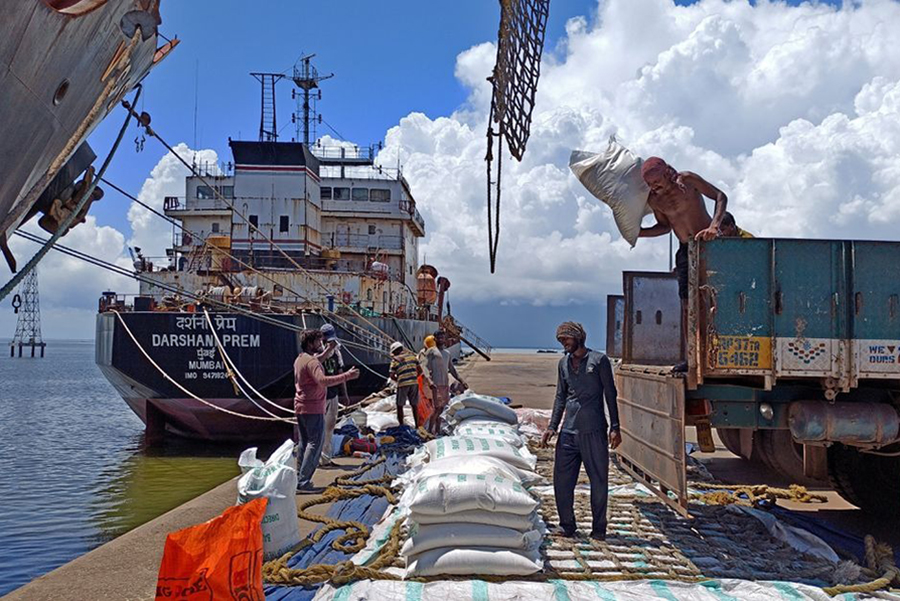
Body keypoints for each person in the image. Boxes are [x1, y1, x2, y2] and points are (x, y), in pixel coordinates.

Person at [638, 157, 728, 372]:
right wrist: (640, 233)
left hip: (710, 245)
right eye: (650, 184)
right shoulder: (654, 200)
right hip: (685, 249)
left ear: (667, 172)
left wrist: (714, 226)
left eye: (657, 181)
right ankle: (691, 358)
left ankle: (722, 352)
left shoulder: (687, 180)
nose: (654, 187)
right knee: (688, 305)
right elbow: (663, 227)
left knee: (718, 300)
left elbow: (720, 196)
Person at [541, 322, 621, 541]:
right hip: (568, 432)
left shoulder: (599, 361)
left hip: (594, 431)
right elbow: (560, 397)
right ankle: (567, 525)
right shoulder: (563, 364)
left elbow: (610, 394)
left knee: (599, 481)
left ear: (578, 338)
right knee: (562, 481)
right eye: (560, 340)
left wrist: (615, 426)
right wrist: (551, 427)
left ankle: (599, 529)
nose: (563, 343)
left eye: (566, 339)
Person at [294, 329, 359, 491]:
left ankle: (297, 478)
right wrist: (347, 376)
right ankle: (303, 482)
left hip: (300, 406)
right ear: (310, 344)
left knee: (303, 443)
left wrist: (329, 350)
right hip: (313, 407)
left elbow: (316, 361)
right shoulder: (313, 362)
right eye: (318, 342)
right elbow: (322, 381)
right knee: (315, 443)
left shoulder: (301, 359)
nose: (321, 344)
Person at [318, 324, 350, 467]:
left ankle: (326, 458)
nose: (330, 343)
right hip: (320, 396)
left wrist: (345, 394)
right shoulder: (317, 353)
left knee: (330, 427)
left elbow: (339, 373)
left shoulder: (337, 353)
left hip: (333, 394)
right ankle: (316, 458)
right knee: (318, 428)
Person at [389, 341, 420, 428]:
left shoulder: (394, 361)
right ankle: (417, 426)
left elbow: (391, 375)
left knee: (400, 405)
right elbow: (420, 369)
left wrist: (399, 379)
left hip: (402, 384)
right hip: (414, 383)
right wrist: (414, 377)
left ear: (394, 351)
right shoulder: (412, 356)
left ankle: (401, 426)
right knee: (414, 405)